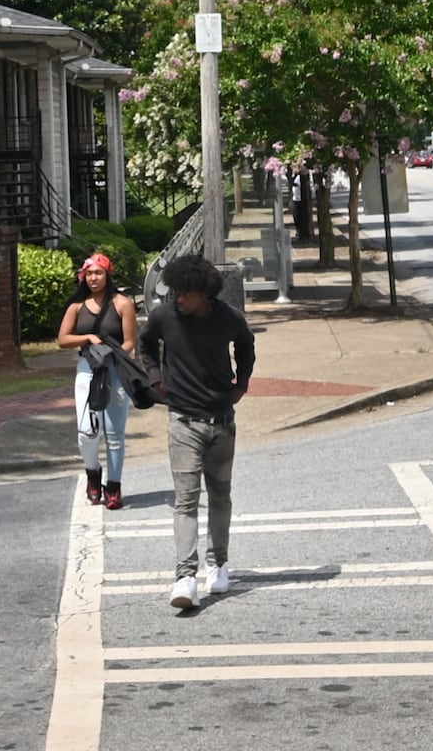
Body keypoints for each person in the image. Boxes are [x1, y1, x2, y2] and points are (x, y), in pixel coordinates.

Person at [137, 253, 255, 612]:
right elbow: (145, 344)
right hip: (183, 421)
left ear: (205, 293)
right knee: (186, 500)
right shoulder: (164, 316)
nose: (179, 299)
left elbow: (246, 346)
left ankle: (218, 564)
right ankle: (185, 576)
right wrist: (156, 378)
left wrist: (241, 383)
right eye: (175, 293)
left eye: (186, 293)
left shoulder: (228, 318)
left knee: (220, 497)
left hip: (221, 421)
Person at [56, 251, 139, 508]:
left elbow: (130, 342)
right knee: (87, 430)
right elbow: (63, 339)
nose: (93, 278)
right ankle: (93, 473)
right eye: (89, 273)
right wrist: (88, 339)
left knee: (115, 434)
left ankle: (113, 487)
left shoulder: (122, 303)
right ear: (83, 277)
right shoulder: (77, 307)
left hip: (115, 369)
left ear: (107, 275)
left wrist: (113, 354)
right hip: (87, 368)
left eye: (98, 273)